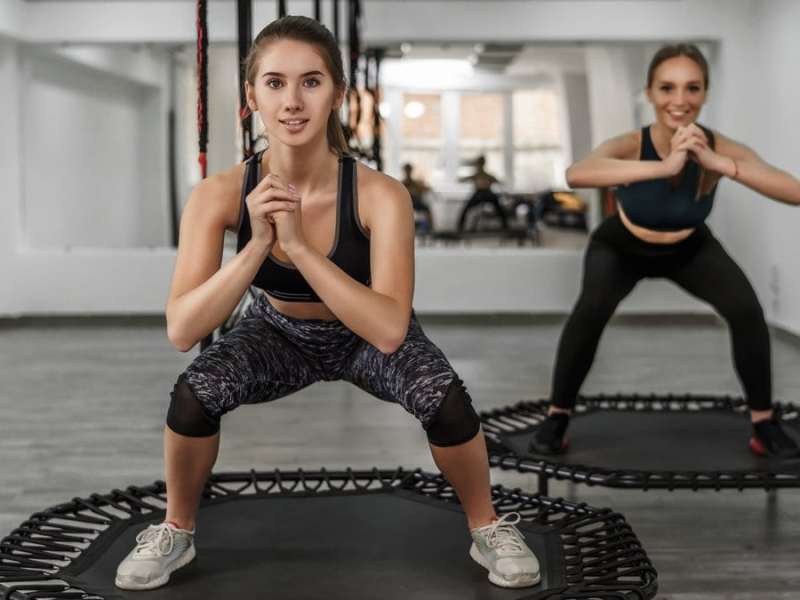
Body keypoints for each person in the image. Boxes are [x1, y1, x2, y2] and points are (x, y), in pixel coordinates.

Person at [114, 16, 539, 591]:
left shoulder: (379, 195)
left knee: (447, 403)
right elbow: (183, 329)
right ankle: (176, 530)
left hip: (362, 333)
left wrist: (296, 247)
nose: (292, 101)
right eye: (274, 83)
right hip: (276, 333)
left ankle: (487, 527)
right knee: (194, 396)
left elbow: (389, 329)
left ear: (338, 92)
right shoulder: (218, 196)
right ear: (250, 97)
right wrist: (257, 246)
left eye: (311, 82)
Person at [532, 43, 800, 458]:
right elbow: (577, 173)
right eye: (667, 88)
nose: (679, 100)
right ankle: (557, 416)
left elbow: (794, 192)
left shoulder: (717, 145)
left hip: (689, 246)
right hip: (620, 245)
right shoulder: (630, 143)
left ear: (705, 94)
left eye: (692, 88)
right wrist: (665, 166)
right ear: (650, 93)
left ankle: (763, 424)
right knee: (590, 312)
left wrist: (718, 163)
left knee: (746, 311)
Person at [457, 155, 508, 231]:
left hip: (487, 193)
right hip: (478, 194)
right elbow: (462, 180)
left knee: (500, 208)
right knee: (466, 209)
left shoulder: (486, 175)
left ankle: (505, 225)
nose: (478, 165)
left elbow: (499, 182)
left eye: (479, 163)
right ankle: (460, 227)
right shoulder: (476, 175)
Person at [401, 162, 434, 232]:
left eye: (409, 170)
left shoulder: (416, 183)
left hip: (417, 203)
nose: (408, 172)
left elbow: (427, 189)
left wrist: (422, 186)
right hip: (406, 204)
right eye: (407, 170)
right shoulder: (402, 183)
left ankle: (430, 229)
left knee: (427, 209)